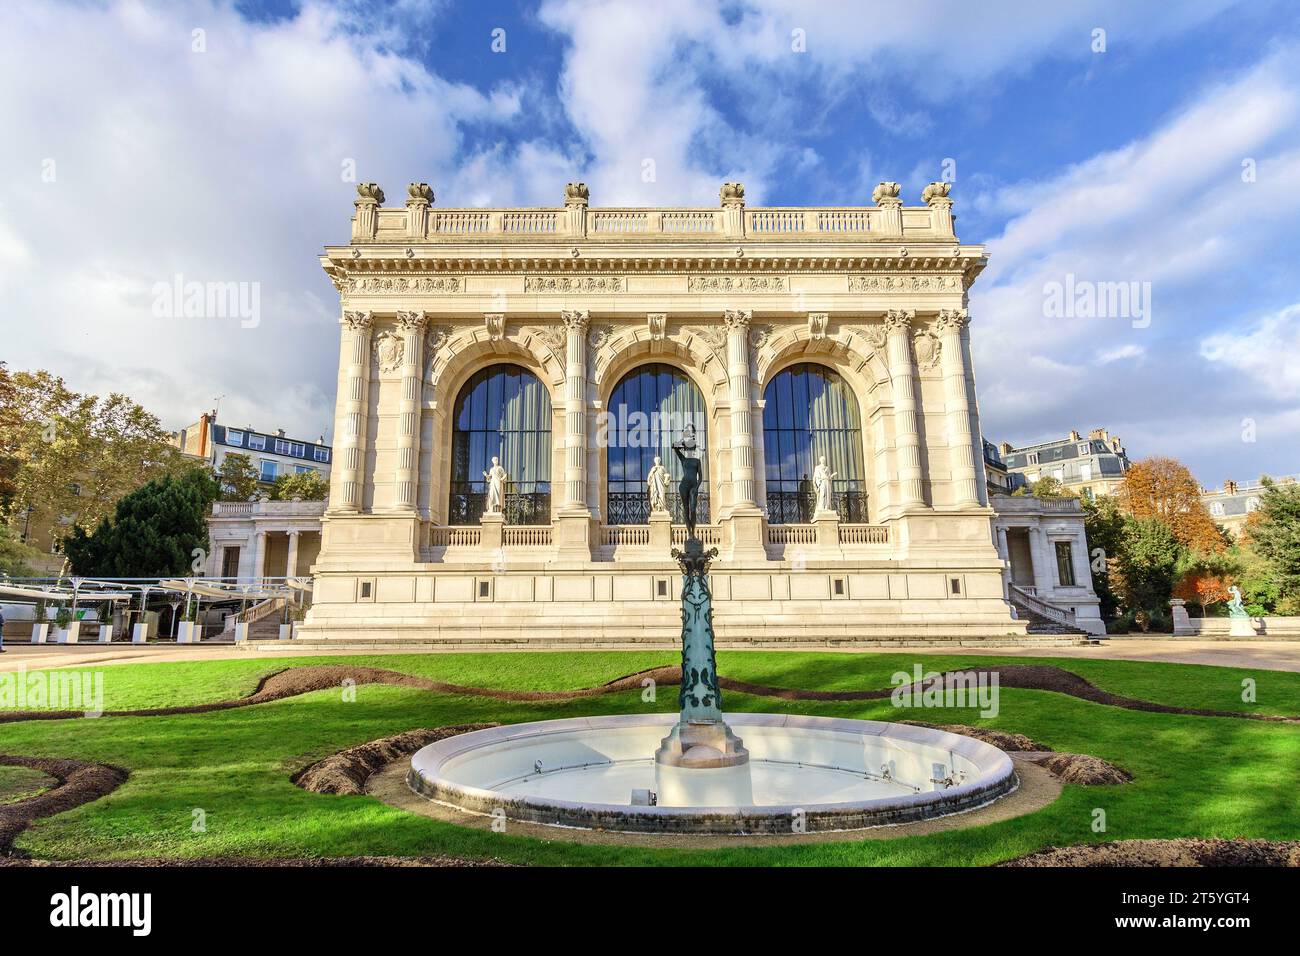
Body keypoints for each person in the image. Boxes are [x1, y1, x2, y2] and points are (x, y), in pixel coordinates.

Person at [672, 425, 703, 537]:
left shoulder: (697, 461)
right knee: (686, 509)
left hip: (693, 486)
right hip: (684, 485)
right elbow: (674, 446)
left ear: (693, 448)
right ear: (686, 448)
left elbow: (701, 477)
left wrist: (696, 487)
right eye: (688, 447)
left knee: (693, 509)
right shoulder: (683, 459)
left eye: (691, 447)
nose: (689, 449)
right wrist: (683, 440)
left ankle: (693, 532)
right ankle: (690, 533)